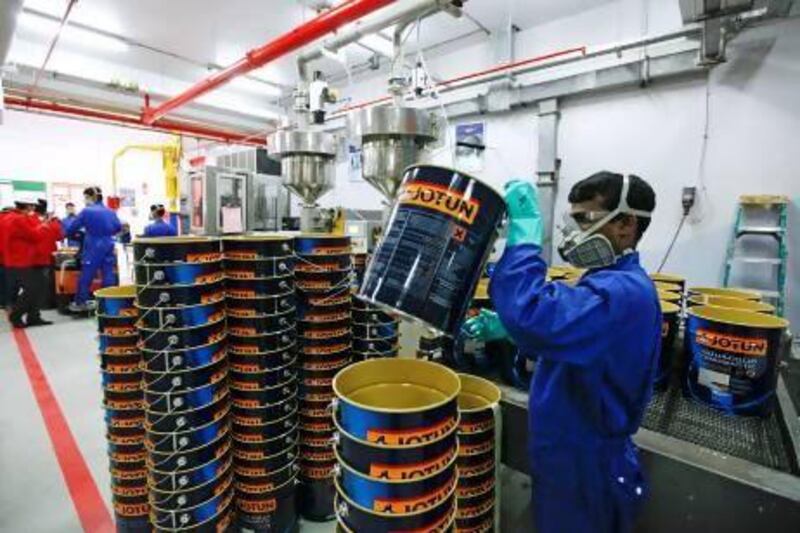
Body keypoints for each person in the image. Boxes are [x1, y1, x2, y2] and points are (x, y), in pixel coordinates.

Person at [464, 172, 661, 533]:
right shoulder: (605, 281)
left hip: (587, 466)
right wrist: (510, 330)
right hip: (567, 452)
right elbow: (576, 343)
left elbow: (533, 313)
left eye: (585, 219)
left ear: (625, 225)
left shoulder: (625, 292)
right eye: (574, 220)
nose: (575, 232)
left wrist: (524, 238)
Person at [64, 187, 121, 313]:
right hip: (108, 244)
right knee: (108, 274)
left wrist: (73, 232)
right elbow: (118, 227)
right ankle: (108, 302)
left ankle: (81, 302)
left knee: (87, 274)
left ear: (89, 197)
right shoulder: (111, 211)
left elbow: (72, 228)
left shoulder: (87, 211)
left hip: (93, 246)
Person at [3, 194, 49, 328]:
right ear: (28, 206)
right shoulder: (19, 219)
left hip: (16, 259)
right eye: (32, 205)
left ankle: (33, 316)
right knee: (33, 289)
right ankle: (16, 315)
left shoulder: (9, 217)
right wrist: (43, 225)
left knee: (39, 286)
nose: (33, 208)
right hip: (22, 260)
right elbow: (34, 236)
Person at [32, 199, 64, 318]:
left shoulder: (29, 220)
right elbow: (59, 236)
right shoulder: (51, 223)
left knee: (37, 281)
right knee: (48, 281)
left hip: (33, 256)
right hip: (48, 255)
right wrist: (56, 222)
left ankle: (40, 304)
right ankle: (47, 303)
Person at [0, 205, 13, 309]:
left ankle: (2, 301)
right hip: (9, 257)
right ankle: (8, 302)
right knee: (9, 281)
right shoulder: (10, 221)